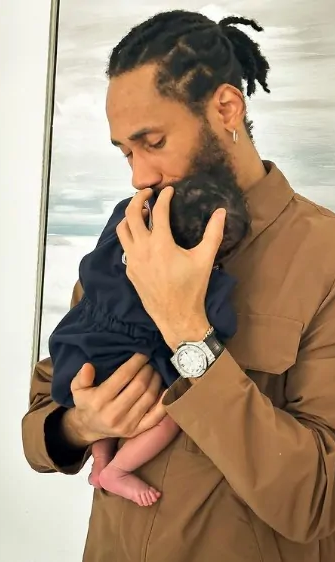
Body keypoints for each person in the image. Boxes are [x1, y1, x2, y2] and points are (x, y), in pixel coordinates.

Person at [22, 10, 335, 562]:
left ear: (226, 109)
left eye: (153, 142)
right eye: (126, 152)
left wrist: (188, 333)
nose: (139, 176)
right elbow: (39, 417)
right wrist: (82, 424)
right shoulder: (129, 237)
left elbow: (326, 498)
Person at [48, 170, 249, 507]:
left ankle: (101, 459)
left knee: (100, 403)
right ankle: (117, 470)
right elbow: (221, 324)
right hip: (130, 356)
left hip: (77, 348)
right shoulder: (199, 280)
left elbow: (95, 258)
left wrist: (140, 210)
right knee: (170, 414)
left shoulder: (119, 244)